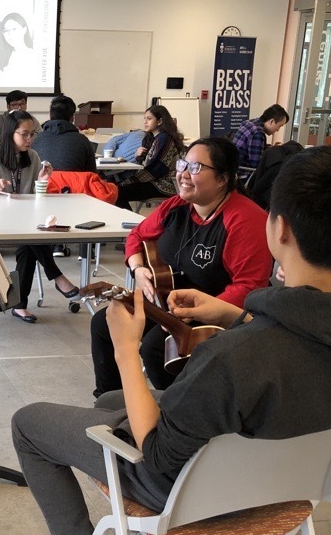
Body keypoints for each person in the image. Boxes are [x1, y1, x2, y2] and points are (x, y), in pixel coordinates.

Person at [12, 145, 331, 535]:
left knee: (29, 423)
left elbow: (156, 457)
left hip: (196, 493)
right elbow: (290, 351)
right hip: (283, 487)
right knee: (111, 399)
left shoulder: (231, 360)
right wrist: (236, 314)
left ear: (279, 229)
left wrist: (125, 349)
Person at [91, 137, 272, 395]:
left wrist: (195, 310)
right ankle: (110, 402)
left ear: (223, 179)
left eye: (195, 168)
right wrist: (138, 269)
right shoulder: (177, 205)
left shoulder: (246, 219)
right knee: (104, 322)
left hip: (217, 311)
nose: (183, 174)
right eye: (182, 164)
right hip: (172, 304)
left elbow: (249, 287)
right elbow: (136, 236)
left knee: (157, 348)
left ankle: (180, 416)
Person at [0, 111, 79, 323]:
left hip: (23, 221)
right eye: (25, 134)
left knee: (29, 241)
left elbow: (34, 199)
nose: (30, 139)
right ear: (11, 134)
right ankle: (57, 277)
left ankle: (20, 305)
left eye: (33, 134)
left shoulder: (33, 158)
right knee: (31, 238)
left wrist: (42, 180)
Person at [114, 104, 185, 210]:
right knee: (114, 188)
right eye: (144, 119)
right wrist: (138, 156)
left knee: (116, 192)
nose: (145, 122)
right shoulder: (152, 138)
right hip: (154, 180)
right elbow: (147, 163)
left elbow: (157, 169)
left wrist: (131, 180)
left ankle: (131, 223)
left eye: (149, 119)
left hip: (165, 184)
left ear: (160, 121)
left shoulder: (164, 139)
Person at [32, 95, 97, 173]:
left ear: (50, 115)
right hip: (73, 184)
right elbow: (92, 174)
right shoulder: (82, 140)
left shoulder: (36, 139)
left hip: (44, 184)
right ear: (72, 118)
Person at [232, 103, 289, 169]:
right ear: (271, 121)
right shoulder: (257, 133)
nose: (278, 130)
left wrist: (273, 148)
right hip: (245, 172)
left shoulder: (250, 122)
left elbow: (257, 148)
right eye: (279, 126)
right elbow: (256, 164)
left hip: (235, 167)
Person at [0, 13, 42, 87]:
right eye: (6, 30)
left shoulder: (35, 55)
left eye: (14, 29)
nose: (10, 34)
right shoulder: (1, 56)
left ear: (24, 29)